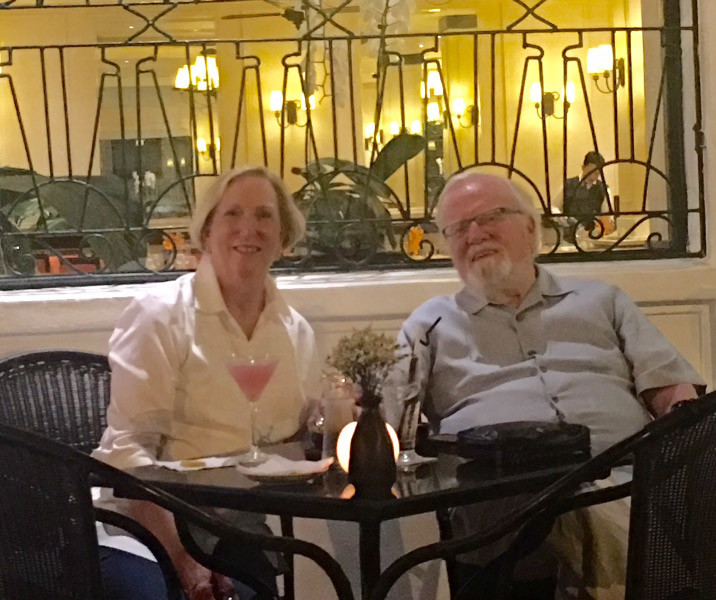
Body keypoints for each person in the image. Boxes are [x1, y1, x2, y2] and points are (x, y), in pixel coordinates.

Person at [387, 172, 704, 599]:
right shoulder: (430, 324)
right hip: (501, 500)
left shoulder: (602, 301)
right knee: (571, 510)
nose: (475, 234)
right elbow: (387, 416)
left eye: (491, 217)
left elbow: (672, 390)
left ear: (531, 228)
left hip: (628, 477)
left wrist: (688, 448)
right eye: (458, 229)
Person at [92, 165, 320, 600]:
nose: (248, 229)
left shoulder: (295, 333)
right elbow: (127, 455)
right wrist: (182, 558)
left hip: (236, 530)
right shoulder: (161, 316)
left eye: (264, 215)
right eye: (233, 213)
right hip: (142, 531)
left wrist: (337, 421)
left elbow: (295, 439)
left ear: (283, 236)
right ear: (207, 230)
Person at [553, 151, 614, 244]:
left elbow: (607, 218)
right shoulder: (569, 185)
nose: (594, 175)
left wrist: (596, 231)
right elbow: (554, 207)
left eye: (597, 173)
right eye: (591, 171)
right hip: (567, 240)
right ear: (583, 167)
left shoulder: (604, 189)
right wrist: (564, 220)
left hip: (593, 240)